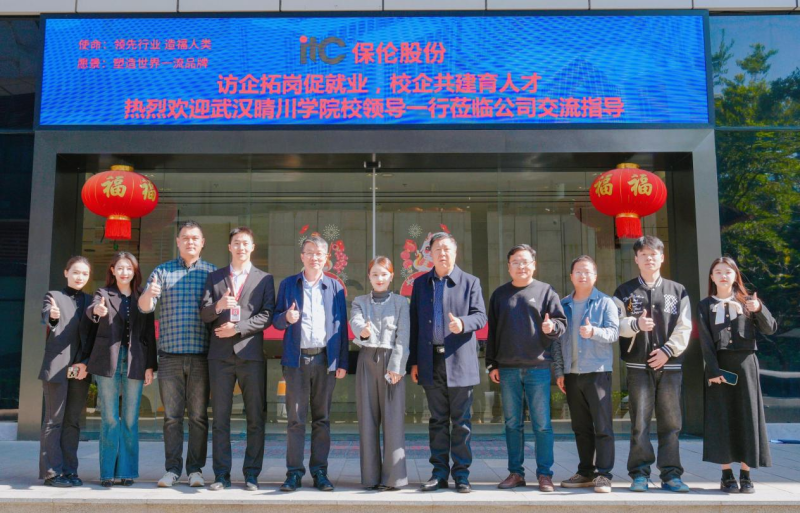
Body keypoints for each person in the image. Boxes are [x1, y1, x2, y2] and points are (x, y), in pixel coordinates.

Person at [138, 220, 217, 488]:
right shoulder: (162, 271)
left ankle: (195, 470)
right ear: (178, 242)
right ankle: (172, 470)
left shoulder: (212, 273)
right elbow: (145, 307)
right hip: (170, 356)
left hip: (201, 356)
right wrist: (149, 293)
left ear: (202, 242)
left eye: (195, 238)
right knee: (171, 417)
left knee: (198, 417)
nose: (190, 242)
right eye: (185, 237)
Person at [409, 232, 487, 494]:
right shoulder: (421, 284)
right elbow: (415, 324)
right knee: (437, 420)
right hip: (430, 360)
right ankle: (439, 473)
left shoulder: (470, 282)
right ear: (430, 253)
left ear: (455, 252)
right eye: (437, 249)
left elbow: (481, 316)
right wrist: (414, 361)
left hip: (460, 361)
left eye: (447, 249)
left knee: (461, 421)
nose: (442, 253)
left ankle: (462, 475)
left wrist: (462, 323)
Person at [613, 235, 692, 493]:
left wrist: (668, 351)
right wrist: (636, 324)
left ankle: (671, 474)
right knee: (639, 423)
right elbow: (616, 325)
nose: (649, 258)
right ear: (636, 259)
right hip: (638, 366)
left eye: (654, 254)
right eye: (644, 254)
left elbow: (685, 326)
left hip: (670, 367)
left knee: (671, 423)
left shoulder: (677, 290)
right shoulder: (624, 291)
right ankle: (639, 474)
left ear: (662, 257)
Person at [486, 244, 566, 493]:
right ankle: (515, 473)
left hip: (537, 367)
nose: (521, 266)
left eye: (525, 261)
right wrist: (492, 363)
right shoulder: (500, 295)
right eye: (516, 262)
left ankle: (545, 474)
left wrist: (551, 327)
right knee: (512, 424)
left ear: (534, 265)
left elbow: (561, 323)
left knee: (542, 424)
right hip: (508, 368)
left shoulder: (546, 291)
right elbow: (492, 333)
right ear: (508, 266)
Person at [200, 227, 275, 491]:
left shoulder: (265, 279)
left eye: (245, 243)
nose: (241, 247)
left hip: (251, 355)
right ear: (229, 247)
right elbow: (204, 314)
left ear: (252, 247)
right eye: (236, 243)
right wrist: (219, 306)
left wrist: (238, 328)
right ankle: (221, 475)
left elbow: (267, 315)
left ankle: (251, 474)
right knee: (220, 419)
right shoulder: (215, 277)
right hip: (220, 356)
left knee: (255, 417)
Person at [273, 235, 349, 492]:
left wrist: (341, 361)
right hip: (296, 360)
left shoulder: (335, 287)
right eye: (309, 252)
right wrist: (286, 317)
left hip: (325, 360)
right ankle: (294, 473)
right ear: (302, 256)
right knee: (295, 420)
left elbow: (341, 326)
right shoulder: (288, 284)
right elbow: (276, 320)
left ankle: (320, 472)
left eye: (319, 253)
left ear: (326, 258)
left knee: (322, 419)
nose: (314, 257)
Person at [698, 257, 777, 494]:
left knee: (747, 417)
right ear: (712, 277)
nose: (723, 276)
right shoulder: (705, 305)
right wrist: (713, 371)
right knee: (721, 418)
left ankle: (746, 474)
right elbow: (705, 341)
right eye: (718, 272)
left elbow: (770, 328)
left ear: (735, 276)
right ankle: (726, 475)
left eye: (728, 272)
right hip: (719, 366)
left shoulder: (748, 302)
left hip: (746, 366)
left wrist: (759, 309)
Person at [85, 252, 157, 487]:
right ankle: (107, 472)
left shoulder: (142, 296)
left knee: (130, 419)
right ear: (112, 270)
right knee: (109, 418)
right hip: (108, 360)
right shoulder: (103, 294)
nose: (125, 272)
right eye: (120, 268)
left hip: (136, 361)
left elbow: (149, 333)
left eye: (129, 268)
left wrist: (150, 366)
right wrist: (97, 311)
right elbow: (93, 310)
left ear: (135, 272)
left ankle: (127, 471)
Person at [553, 255, 619, 493]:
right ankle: (585, 472)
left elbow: (614, 333)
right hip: (572, 374)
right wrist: (559, 371)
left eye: (588, 271)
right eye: (578, 271)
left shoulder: (606, 302)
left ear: (595, 276)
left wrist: (593, 332)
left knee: (602, 426)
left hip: (597, 372)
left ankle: (604, 475)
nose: (583, 275)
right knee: (580, 427)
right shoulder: (563, 305)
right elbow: (557, 342)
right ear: (571, 276)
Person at [349, 256, 410, 491]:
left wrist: (397, 366)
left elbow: (403, 336)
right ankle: (371, 477)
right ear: (369, 277)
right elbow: (355, 322)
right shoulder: (359, 301)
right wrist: (362, 331)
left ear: (391, 276)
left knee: (393, 420)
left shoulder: (401, 302)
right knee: (367, 419)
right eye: (375, 274)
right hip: (366, 360)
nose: (379, 278)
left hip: (392, 361)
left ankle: (394, 478)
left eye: (384, 274)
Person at [38, 256, 94, 487]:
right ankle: (52, 473)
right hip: (57, 368)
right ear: (66, 273)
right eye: (76, 272)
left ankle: (70, 471)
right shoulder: (54, 296)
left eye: (84, 274)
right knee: (54, 421)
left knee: (72, 421)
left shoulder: (91, 301)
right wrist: (52, 316)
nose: (80, 277)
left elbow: (93, 336)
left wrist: (86, 363)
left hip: (80, 369)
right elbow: (48, 317)